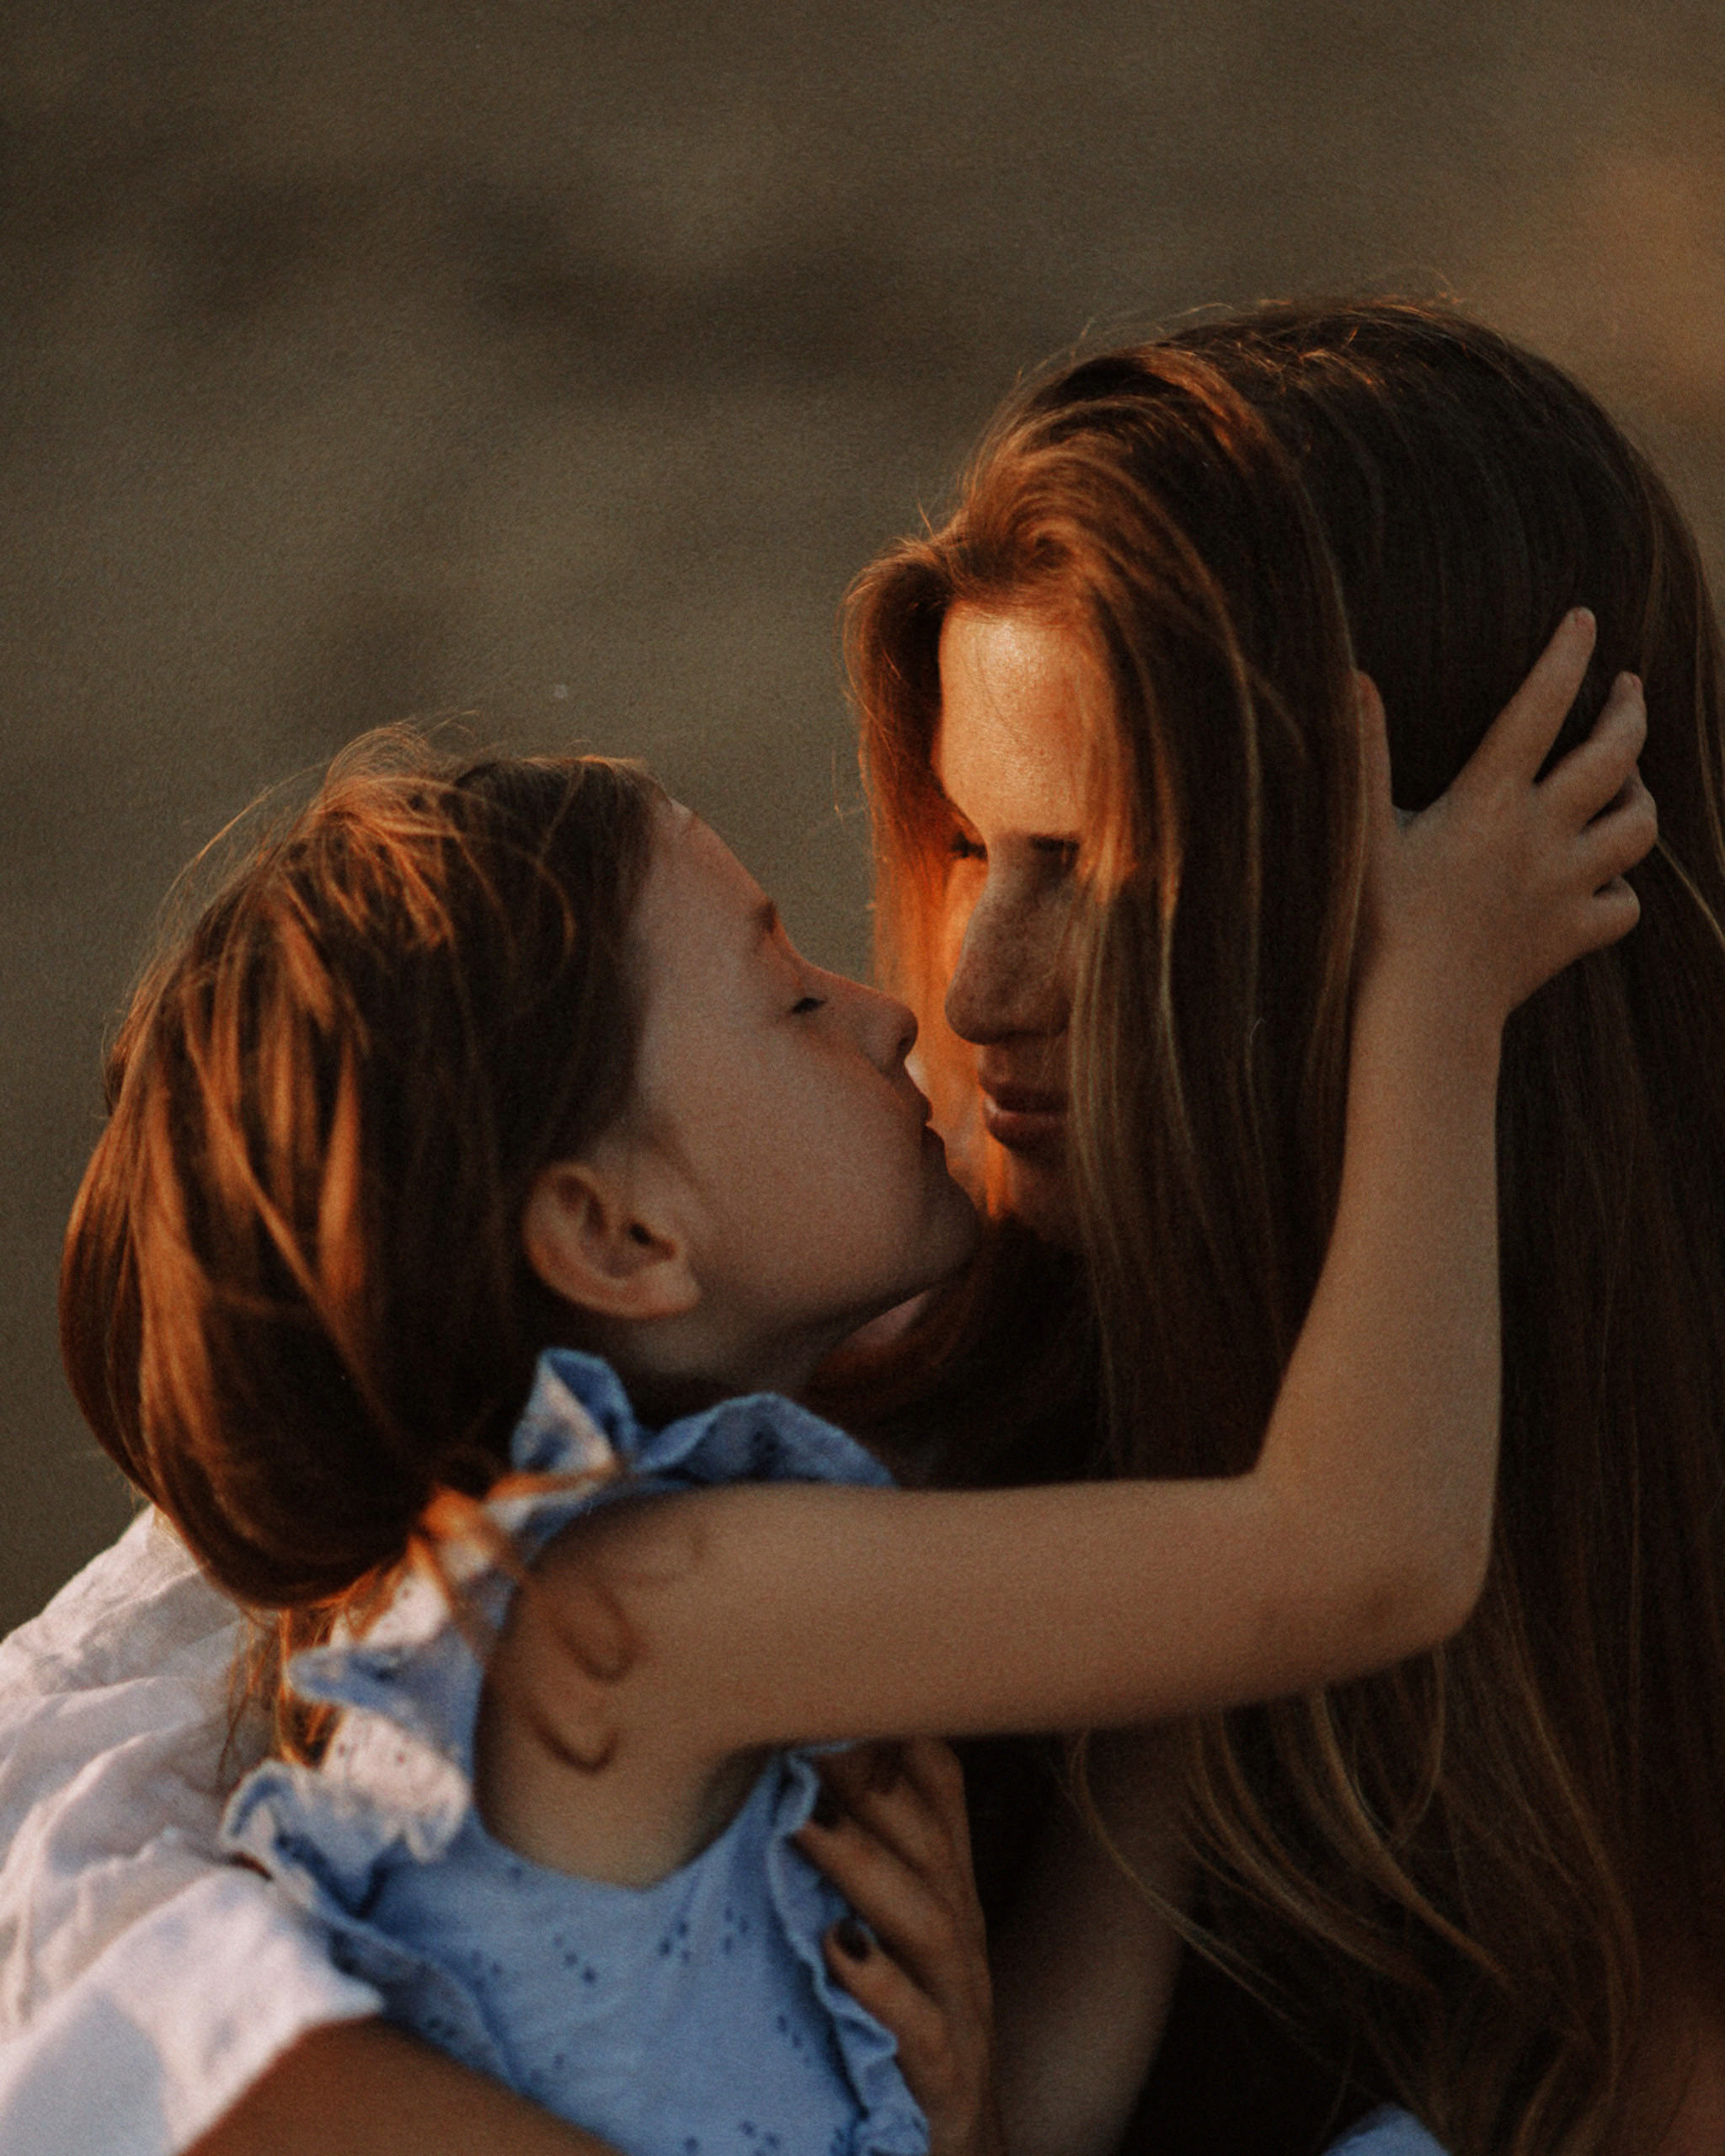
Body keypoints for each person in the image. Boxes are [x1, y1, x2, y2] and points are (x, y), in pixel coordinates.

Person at [19, 612, 1643, 2156]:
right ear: (621, 1236)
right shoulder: (635, 1611)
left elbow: (1046, 2118)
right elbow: (1371, 1557)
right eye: (792, 999)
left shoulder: (651, 1609)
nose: (893, 1016)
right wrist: (1439, 995)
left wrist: (1190, 1600)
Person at [842, 299, 1725, 2155]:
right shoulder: (872, 1495)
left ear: (1490, 892)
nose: (979, 991)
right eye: (969, 848)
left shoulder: (1661, 1510)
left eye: (1105, 874)